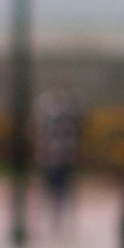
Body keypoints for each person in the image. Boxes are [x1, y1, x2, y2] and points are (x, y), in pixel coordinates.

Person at [32, 89, 83, 232]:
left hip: (60, 158)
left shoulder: (64, 116)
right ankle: (51, 218)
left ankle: (57, 219)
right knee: (52, 189)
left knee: (61, 189)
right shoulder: (53, 115)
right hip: (53, 158)